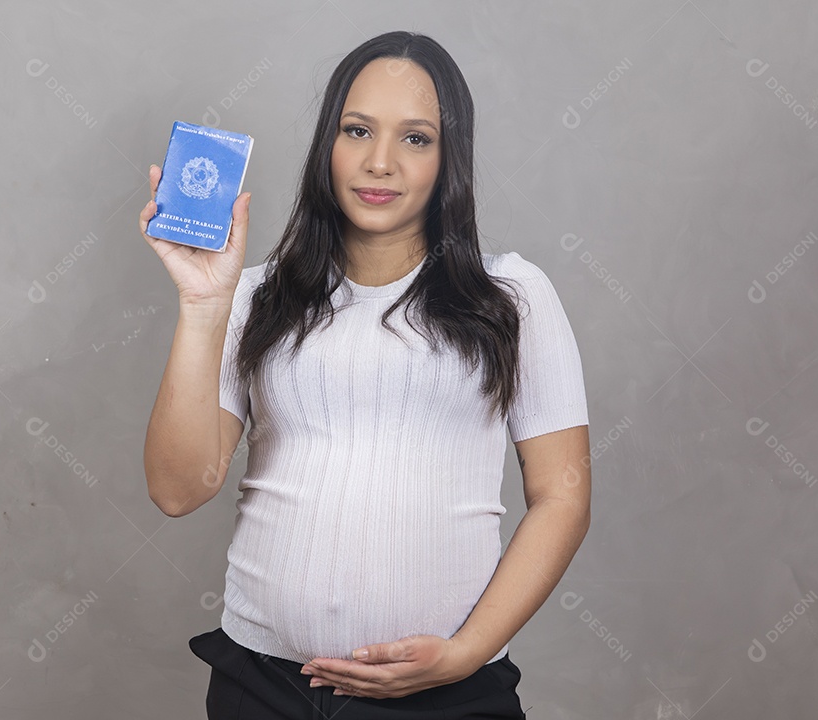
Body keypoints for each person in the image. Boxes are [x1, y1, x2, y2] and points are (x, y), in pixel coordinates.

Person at [140, 30, 591, 720]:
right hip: (262, 687)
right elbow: (177, 489)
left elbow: (562, 499)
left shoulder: (513, 296)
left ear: (449, 159)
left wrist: (468, 651)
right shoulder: (254, 297)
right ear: (329, 143)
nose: (379, 162)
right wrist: (204, 307)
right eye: (358, 130)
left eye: (415, 139)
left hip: (446, 693)